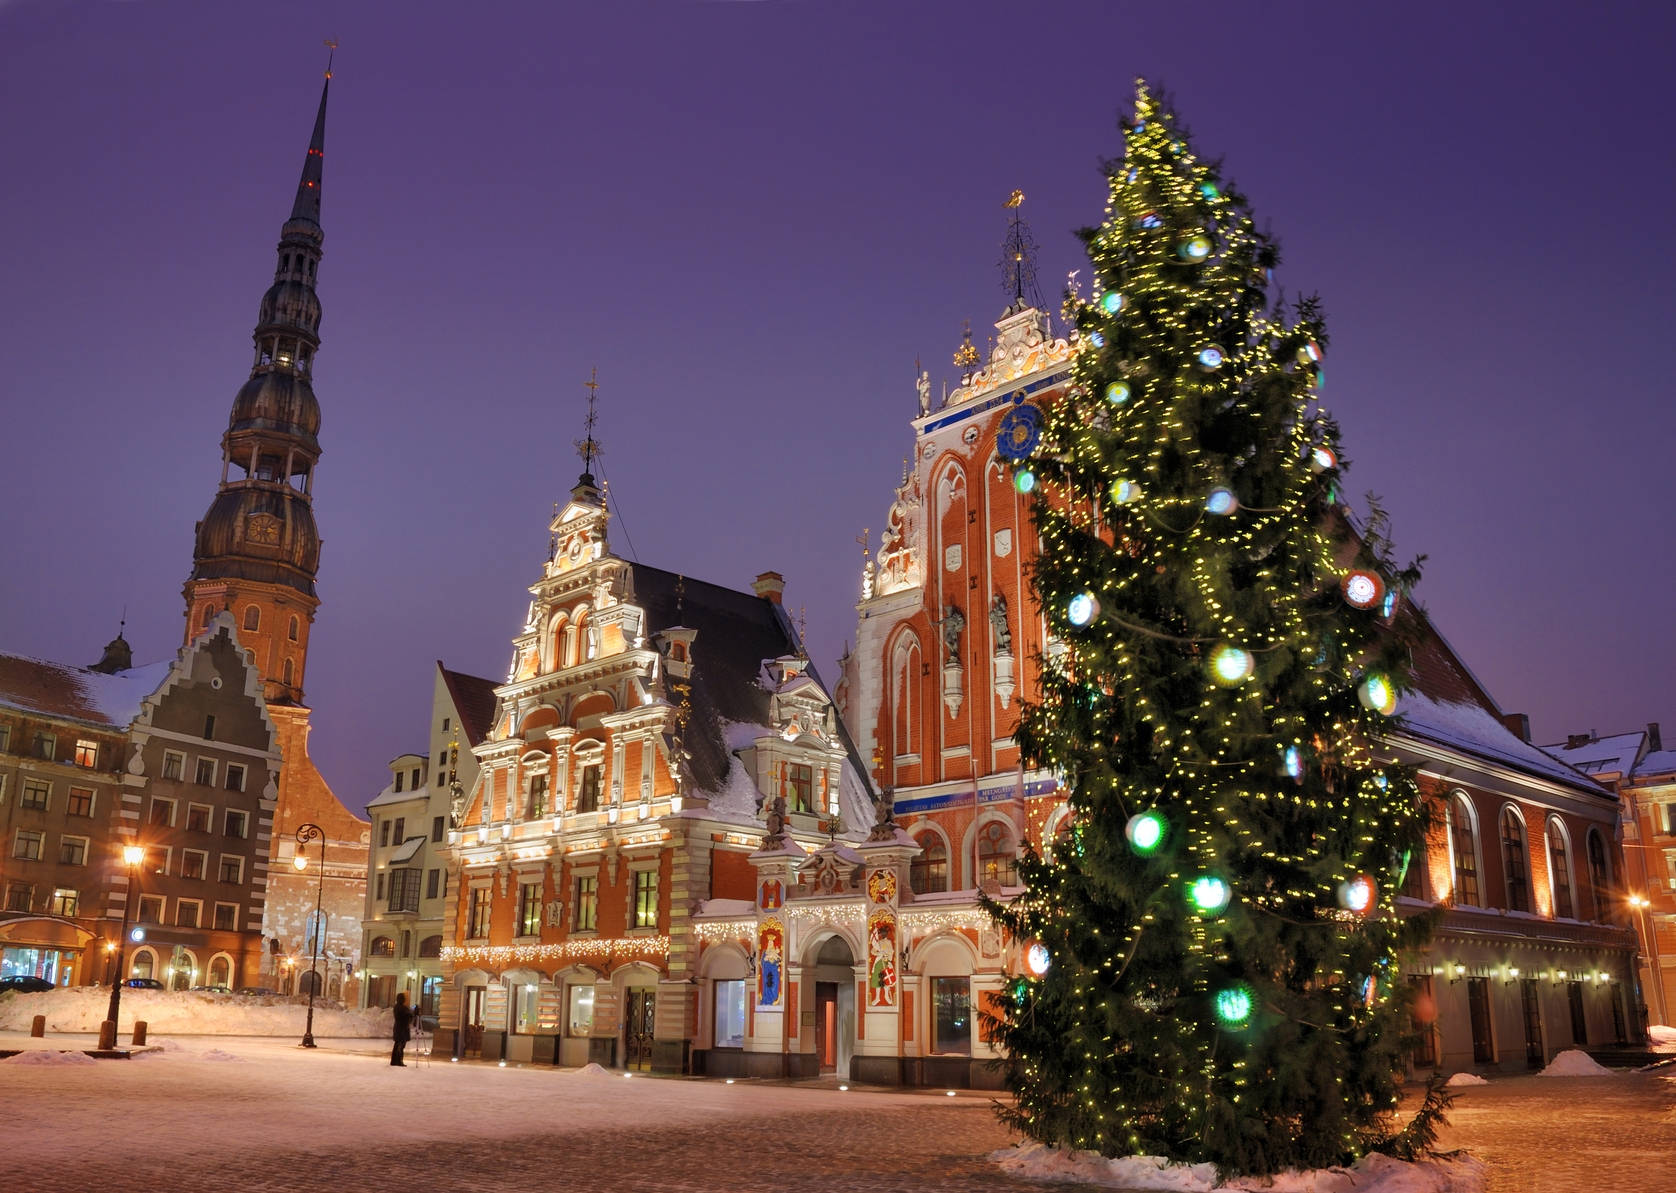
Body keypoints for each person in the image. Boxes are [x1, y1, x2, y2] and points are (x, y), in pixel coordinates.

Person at [391, 992, 413, 1066]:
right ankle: (398, 1061)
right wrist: (411, 1015)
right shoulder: (402, 1008)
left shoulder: (397, 1007)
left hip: (398, 1029)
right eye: (404, 998)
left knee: (397, 1045)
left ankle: (394, 1061)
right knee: (400, 1046)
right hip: (402, 1030)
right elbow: (407, 1017)